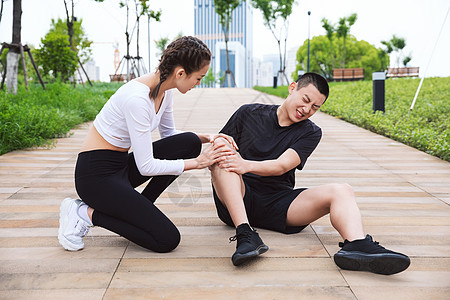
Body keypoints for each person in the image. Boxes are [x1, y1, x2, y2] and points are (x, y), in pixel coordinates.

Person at [210, 72, 410, 275]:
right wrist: (222, 146)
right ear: (292, 88)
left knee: (342, 190)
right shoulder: (248, 113)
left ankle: (357, 245)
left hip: (279, 203)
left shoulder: (310, 132)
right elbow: (221, 142)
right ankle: (246, 234)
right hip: (237, 198)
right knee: (222, 163)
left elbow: (282, 165)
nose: (307, 110)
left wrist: (246, 164)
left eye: (315, 107)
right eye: (305, 100)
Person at [58, 36, 235, 253]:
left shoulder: (164, 90)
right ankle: (83, 213)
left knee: (189, 142)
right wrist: (198, 163)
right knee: (167, 239)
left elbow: (170, 136)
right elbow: (146, 166)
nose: (198, 84)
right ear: (180, 73)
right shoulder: (137, 99)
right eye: (198, 78)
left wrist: (207, 137)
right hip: (96, 179)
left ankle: (139, 210)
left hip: (120, 166)